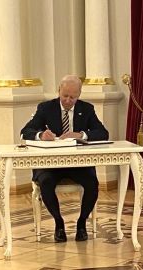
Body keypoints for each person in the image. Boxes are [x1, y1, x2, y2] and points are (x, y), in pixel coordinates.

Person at [21, 75, 109, 242]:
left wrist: (81, 134)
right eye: (65, 96)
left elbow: (103, 133)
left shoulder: (87, 109)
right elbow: (26, 131)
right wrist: (40, 135)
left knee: (92, 183)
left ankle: (82, 223)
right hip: (50, 164)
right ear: (59, 91)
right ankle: (58, 223)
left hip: (78, 163)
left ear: (79, 95)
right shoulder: (46, 108)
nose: (68, 100)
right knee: (45, 182)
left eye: (73, 97)